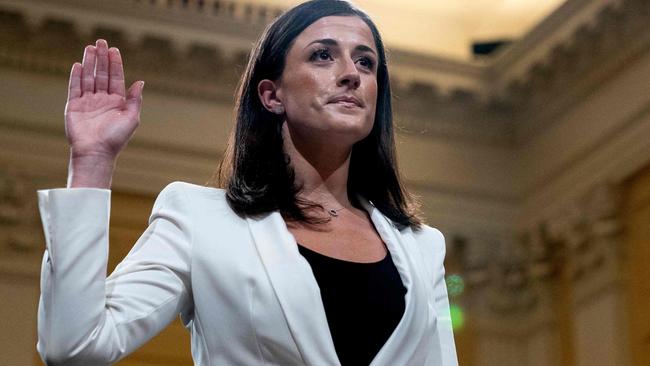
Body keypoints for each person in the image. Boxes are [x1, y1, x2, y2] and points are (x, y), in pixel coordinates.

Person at [36, 0, 458, 365]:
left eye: (365, 62)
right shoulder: (199, 220)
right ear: (272, 95)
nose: (351, 73)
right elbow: (75, 347)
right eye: (322, 56)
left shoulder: (423, 248)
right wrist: (92, 161)